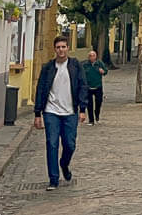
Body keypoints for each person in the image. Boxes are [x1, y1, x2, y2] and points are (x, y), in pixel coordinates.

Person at [34, 36, 88, 191]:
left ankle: (64, 164)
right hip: (51, 111)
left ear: (68, 48)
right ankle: (53, 179)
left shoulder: (75, 66)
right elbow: (41, 90)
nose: (61, 50)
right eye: (58, 47)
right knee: (52, 143)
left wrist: (82, 109)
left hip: (70, 112)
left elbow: (83, 86)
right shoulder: (48, 68)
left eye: (63, 47)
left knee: (70, 144)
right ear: (54, 49)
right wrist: (38, 113)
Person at [84, 50, 110, 125]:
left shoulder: (99, 63)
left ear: (96, 56)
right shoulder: (85, 64)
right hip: (88, 87)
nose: (92, 57)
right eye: (90, 56)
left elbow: (106, 71)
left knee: (98, 102)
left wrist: (103, 71)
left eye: (93, 55)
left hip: (98, 86)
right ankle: (91, 120)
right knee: (89, 104)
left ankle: (97, 115)